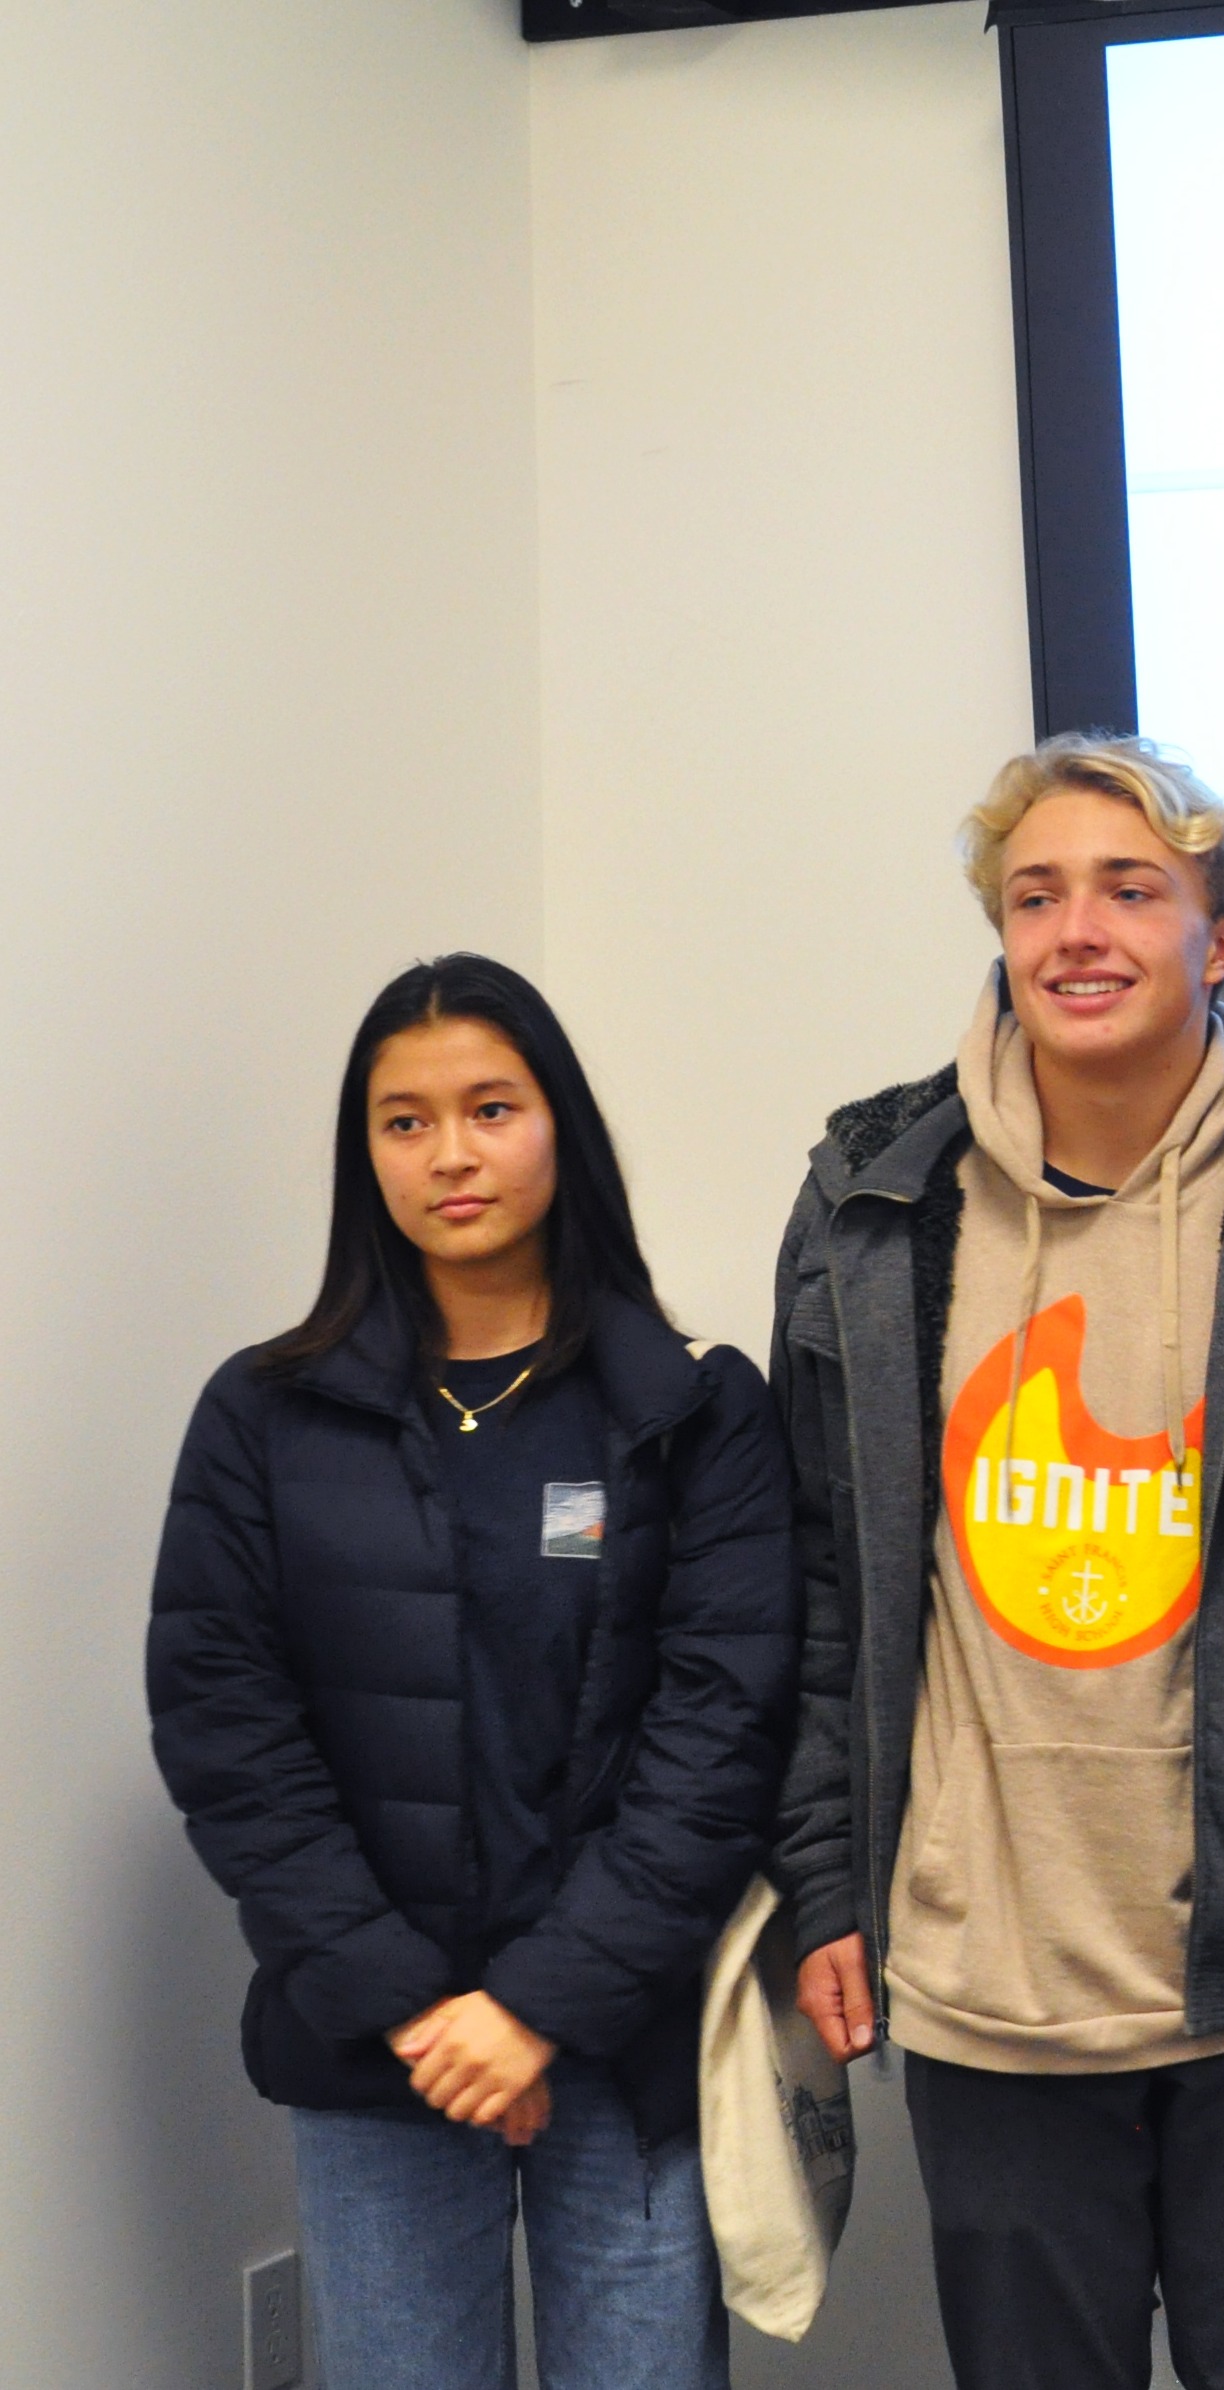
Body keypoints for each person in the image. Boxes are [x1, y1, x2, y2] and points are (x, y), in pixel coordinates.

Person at [768, 732, 1224, 2390]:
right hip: (983, 1979)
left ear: (1220, 935)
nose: (1076, 930)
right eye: (1035, 895)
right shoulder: (871, 1207)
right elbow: (821, 1583)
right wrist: (826, 1879)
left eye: (1129, 888)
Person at [146, 954, 796, 2390]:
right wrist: (419, 2011)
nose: (450, 1152)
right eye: (404, 1119)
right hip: (381, 2051)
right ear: (361, 1151)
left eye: (491, 1106)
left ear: (558, 1122)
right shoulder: (263, 1416)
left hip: (621, 2047)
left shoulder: (695, 1405)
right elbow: (225, 1728)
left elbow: (724, 1729)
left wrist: (541, 2005)